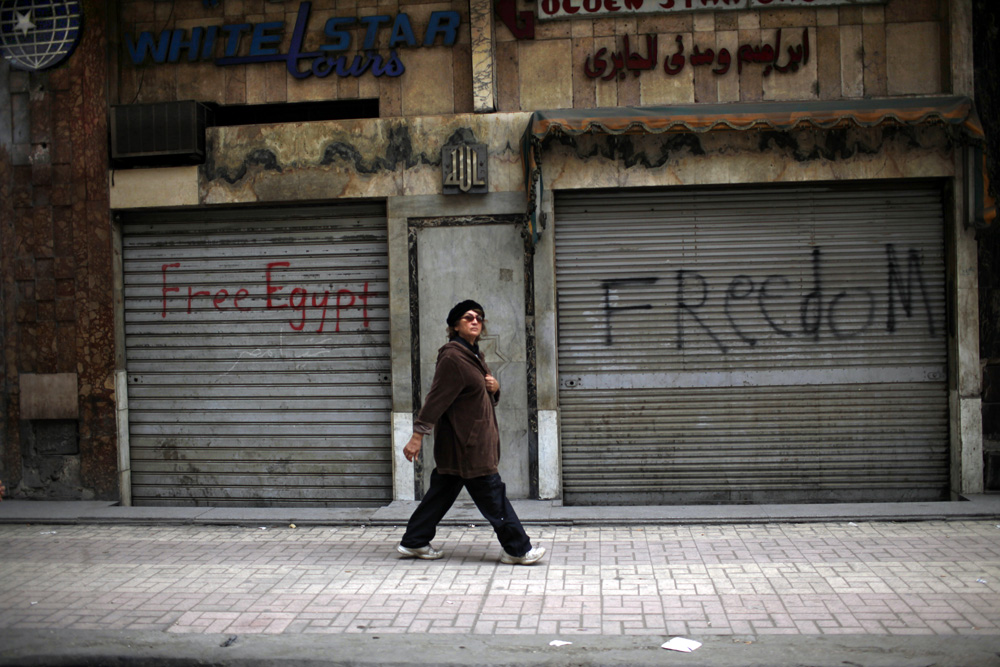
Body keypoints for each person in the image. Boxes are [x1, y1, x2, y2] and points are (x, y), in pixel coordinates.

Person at [397, 299, 546, 565]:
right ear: (455, 325)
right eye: (468, 317)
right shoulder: (453, 356)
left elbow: (479, 396)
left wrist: (495, 387)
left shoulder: (474, 354)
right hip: (467, 445)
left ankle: (414, 541)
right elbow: (436, 399)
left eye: (479, 317)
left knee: (441, 493)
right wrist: (417, 435)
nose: (475, 320)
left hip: (468, 442)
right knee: (492, 494)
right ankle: (517, 549)